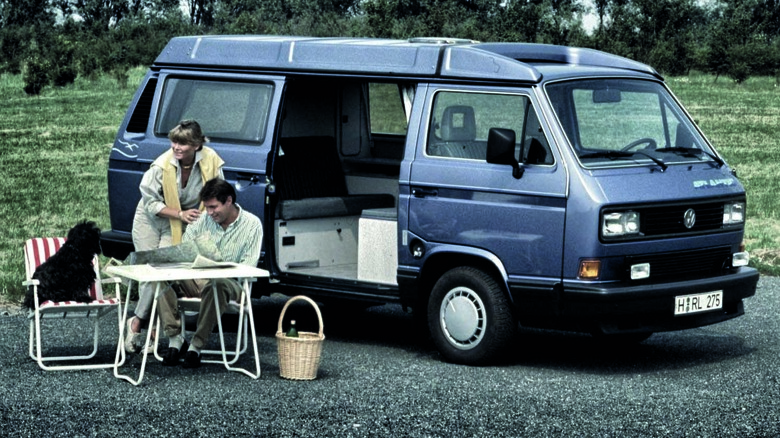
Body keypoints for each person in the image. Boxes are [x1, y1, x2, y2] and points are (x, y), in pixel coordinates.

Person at [125, 120, 225, 353]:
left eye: (183, 143)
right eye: (174, 141)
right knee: (150, 270)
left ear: (198, 144)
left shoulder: (211, 160)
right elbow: (151, 203)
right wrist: (179, 213)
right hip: (152, 218)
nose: (176, 147)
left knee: (165, 271)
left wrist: (204, 216)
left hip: (181, 220)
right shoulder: (161, 165)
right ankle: (147, 326)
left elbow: (218, 191)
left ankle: (139, 321)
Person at [157, 178, 263, 368]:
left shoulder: (252, 225)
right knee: (161, 278)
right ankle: (175, 339)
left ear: (229, 201)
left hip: (230, 284)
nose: (210, 212)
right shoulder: (201, 220)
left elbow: (248, 266)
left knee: (217, 284)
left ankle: (196, 346)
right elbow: (185, 252)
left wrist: (219, 267)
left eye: (214, 207)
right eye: (207, 207)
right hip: (196, 278)